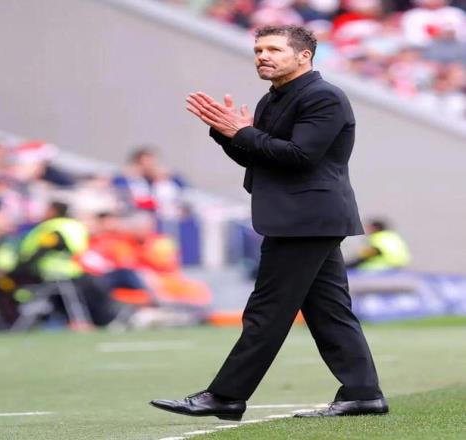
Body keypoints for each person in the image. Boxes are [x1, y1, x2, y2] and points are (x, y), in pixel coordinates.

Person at [150, 24, 388, 420]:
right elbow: (260, 158)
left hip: (306, 218)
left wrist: (242, 132)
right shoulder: (272, 99)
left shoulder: (324, 96)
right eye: (259, 50)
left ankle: (226, 395)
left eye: (274, 49)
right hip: (302, 218)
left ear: (304, 56)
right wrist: (227, 134)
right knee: (329, 311)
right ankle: (363, 394)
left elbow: (299, 156)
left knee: (267, 310)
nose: (262, 56)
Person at [347, 219, 411, 271]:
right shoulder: (393, 236)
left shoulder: (377, 238)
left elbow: (366, 256)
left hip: (383, 269)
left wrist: (347, 265)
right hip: (399, 267)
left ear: (374, 228)